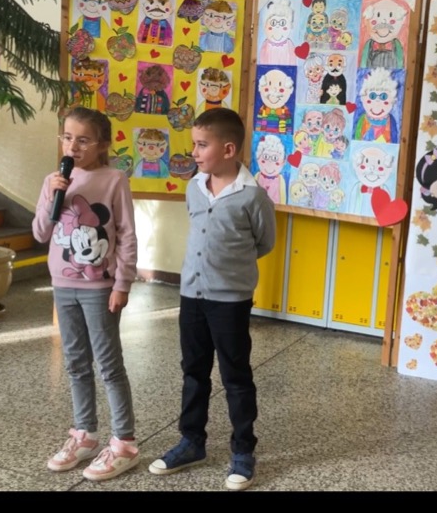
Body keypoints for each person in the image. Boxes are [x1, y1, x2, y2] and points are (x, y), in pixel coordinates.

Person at [148, 108, 276, 491]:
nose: (194, 152)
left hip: (229, 301)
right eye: (194, 144)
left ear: (229, 149)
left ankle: (243, 449)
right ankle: (192, 441)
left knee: (235, 375)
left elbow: (264, 242)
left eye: (202, 145)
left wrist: (229, 274)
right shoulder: (194, 187)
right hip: (191, 295)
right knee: (193, 370)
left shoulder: (252, 196)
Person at [32, 106, 140, 482]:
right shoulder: (54, 181)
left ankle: (124, 442)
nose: (73, 146)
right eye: (67, 137)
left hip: (99, 287)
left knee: (109, 364)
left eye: (83, 140)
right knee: (76, 363)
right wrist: (53, 196)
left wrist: (123, 283)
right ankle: (85, 433)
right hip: (63, 285)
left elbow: (126, 234)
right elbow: (41, 233)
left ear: (102, 144)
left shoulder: (114, 180)